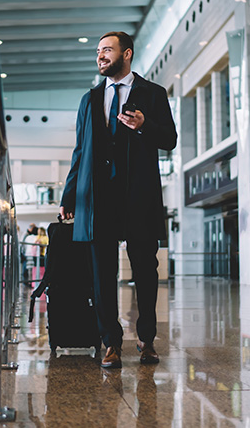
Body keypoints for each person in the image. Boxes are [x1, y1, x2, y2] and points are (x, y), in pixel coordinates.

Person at [60, 31, 177, 369]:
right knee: (102, 273)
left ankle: (147, 339)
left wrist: (144, 125)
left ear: (126, 54)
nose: (100, 56)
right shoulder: (90, 99)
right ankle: (110, 341)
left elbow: (169, 139)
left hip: (138, 195)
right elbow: (80, 151)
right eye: (98, 51)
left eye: (107, 50)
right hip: (99, 197)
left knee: (145, 270)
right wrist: (70, 194)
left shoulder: (153, 94)